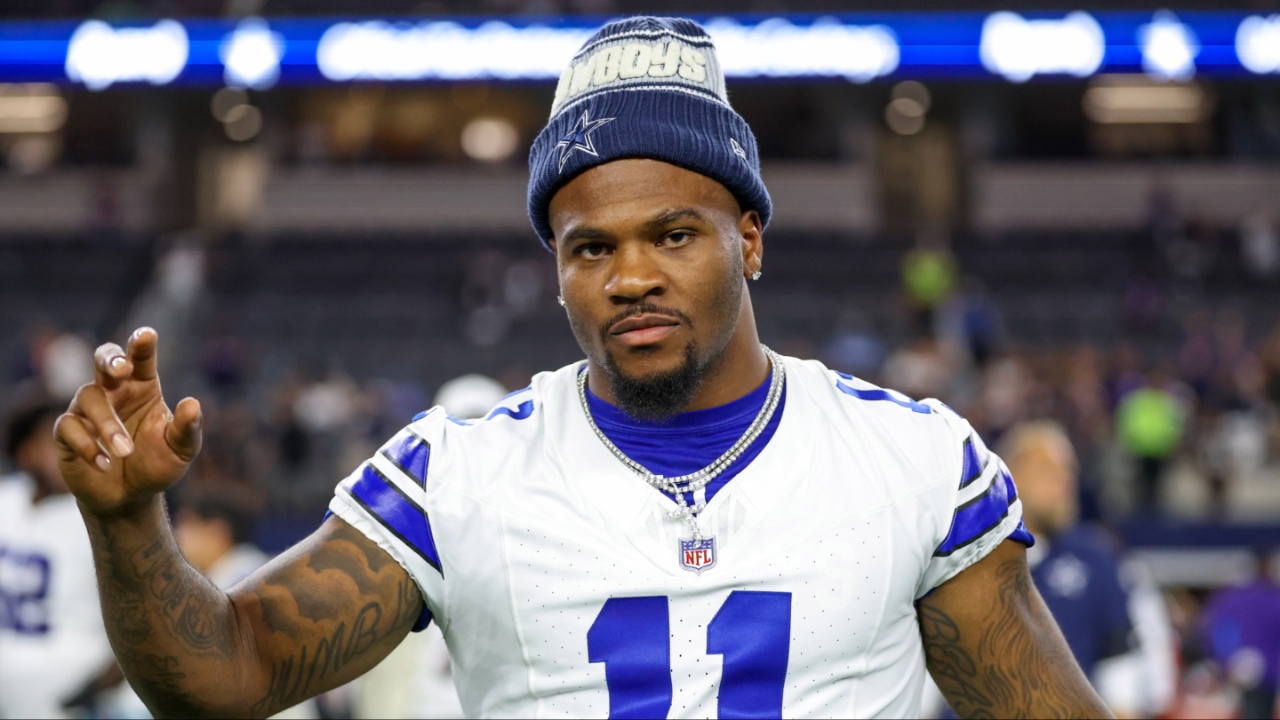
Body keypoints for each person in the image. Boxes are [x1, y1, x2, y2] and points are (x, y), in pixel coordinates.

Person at [53, 17, 1111, 719]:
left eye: (673, 235)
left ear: (748, 236)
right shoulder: (453, 476)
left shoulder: (908, 457)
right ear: (554, 268)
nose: (630, 277)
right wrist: (128, 526)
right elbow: (225, 675)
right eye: (590, 248)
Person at [996, 421, 1177, 718]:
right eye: (1049, 471)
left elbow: (1117, 664)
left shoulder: (1095, 559)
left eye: (1069, 471)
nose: (1065, 482)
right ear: (1012, 476)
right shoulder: (971, 557)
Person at [0, 395, 131, 718]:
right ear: (26, 450)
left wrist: (91, 694)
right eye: (58, 442)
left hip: (74, 701)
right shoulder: (6, 499)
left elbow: (142, 625)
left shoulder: (104, 519)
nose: (75, 452)